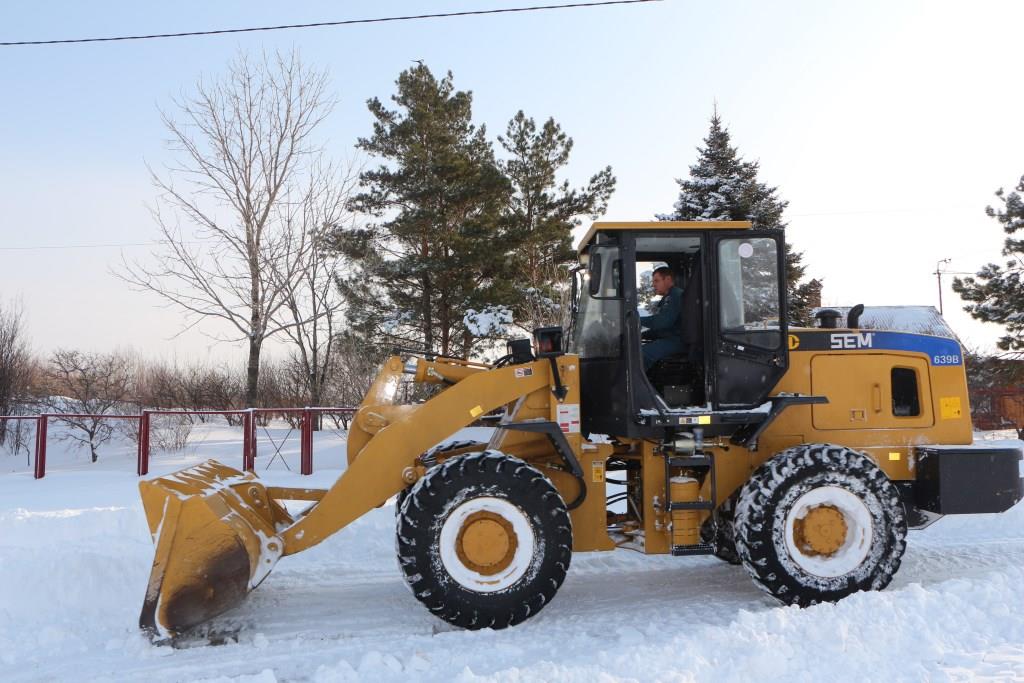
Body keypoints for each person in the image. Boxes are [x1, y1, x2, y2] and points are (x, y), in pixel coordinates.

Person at [640, 266, 685, 370]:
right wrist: (642, 335)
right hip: (671, 337)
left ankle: (637, 384)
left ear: (668, 279)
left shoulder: (674, 296)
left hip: (677, 340)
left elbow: (662, 322)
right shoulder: (668, 297)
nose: (653, 284)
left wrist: (637, 320)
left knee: (641, 354)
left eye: (656, 280)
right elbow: (662, 327)